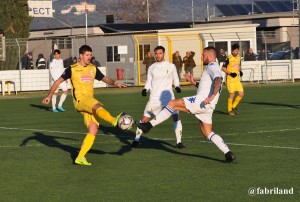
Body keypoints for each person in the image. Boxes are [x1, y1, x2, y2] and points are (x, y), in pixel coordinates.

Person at [135, 46, 236, 163]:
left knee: (172, 103)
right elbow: (208, 87)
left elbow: (218, 80)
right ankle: (228, 153)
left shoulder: (213, 66)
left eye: (203, 55)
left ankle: (148, 125)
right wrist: (193, 83)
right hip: (209, 106)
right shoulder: (211, 67)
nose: (202, 57)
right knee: (207, 132)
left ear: (209, 55)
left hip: (202, 101)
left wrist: (212, 96)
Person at [42, 45, 127, 166]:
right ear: (81, 56)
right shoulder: (72, 69)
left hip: (88, 101)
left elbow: (104, 78)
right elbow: (58, 81)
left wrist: (115, 83)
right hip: (80, 101)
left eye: (90, 55)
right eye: (87, 55)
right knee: (97, 106)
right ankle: (114, 121)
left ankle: (80, 157)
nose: (89, 57)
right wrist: (49, 96)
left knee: (93, 128)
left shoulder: (93, 68)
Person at [132, 46, 185, 149]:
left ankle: (179, 142)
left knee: (176, 117)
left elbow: (176, 78)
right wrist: (145, 89)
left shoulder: (171, 66)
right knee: (145, 119)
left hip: (168, 97)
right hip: (154, 98)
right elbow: (148, 81)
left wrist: (177, 87)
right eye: (156, 53)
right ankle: (136, 140)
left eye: (160, 53)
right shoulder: (152, 67)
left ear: (164, 53)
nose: (158, 55)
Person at [221, 43, 244, 116]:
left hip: (237, 79)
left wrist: (240, 71)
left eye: (236, 51)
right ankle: (229, 110)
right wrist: (230, 73)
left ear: (238, 51)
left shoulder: (239, 57)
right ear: (232, 51)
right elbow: (223, 68)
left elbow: (238, 65)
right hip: (230, 79)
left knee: (241, 94)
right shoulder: (228, 58)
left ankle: (233, 106)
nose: (235, 52)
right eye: (234, 51)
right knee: (232, 95)